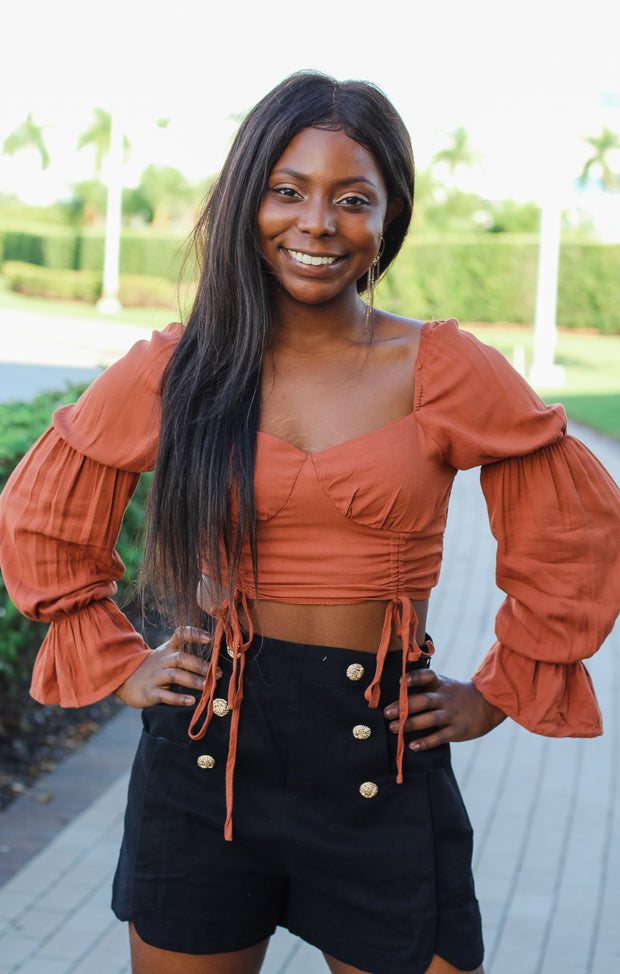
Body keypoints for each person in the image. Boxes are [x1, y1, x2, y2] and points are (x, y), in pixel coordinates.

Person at [1, 71, 619, 974]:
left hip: (384, 753)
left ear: (387, 219)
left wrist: (499, 689)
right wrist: (118, 660)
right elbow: (46, 513)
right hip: (207, 751)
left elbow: (575, 530)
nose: (317, 223)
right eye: (287, 191)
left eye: (352, 198)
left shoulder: (441, 367)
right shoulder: (181, 368)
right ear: (249, 200)